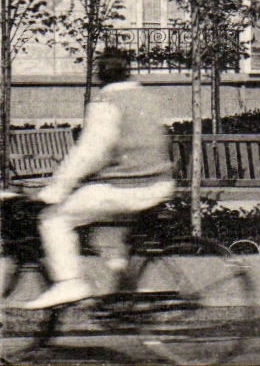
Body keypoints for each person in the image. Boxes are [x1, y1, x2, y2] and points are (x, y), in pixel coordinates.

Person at [26, 49, 177, 309]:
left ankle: (69, 282)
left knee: (54, 219)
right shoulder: (146, 96)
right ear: (128, 71)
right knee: (104, 232)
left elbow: (90, 152)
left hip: (126, 186)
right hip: (159, 183)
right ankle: (124, 290)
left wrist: (55, 191)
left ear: (100, 74)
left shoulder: (106, 102)